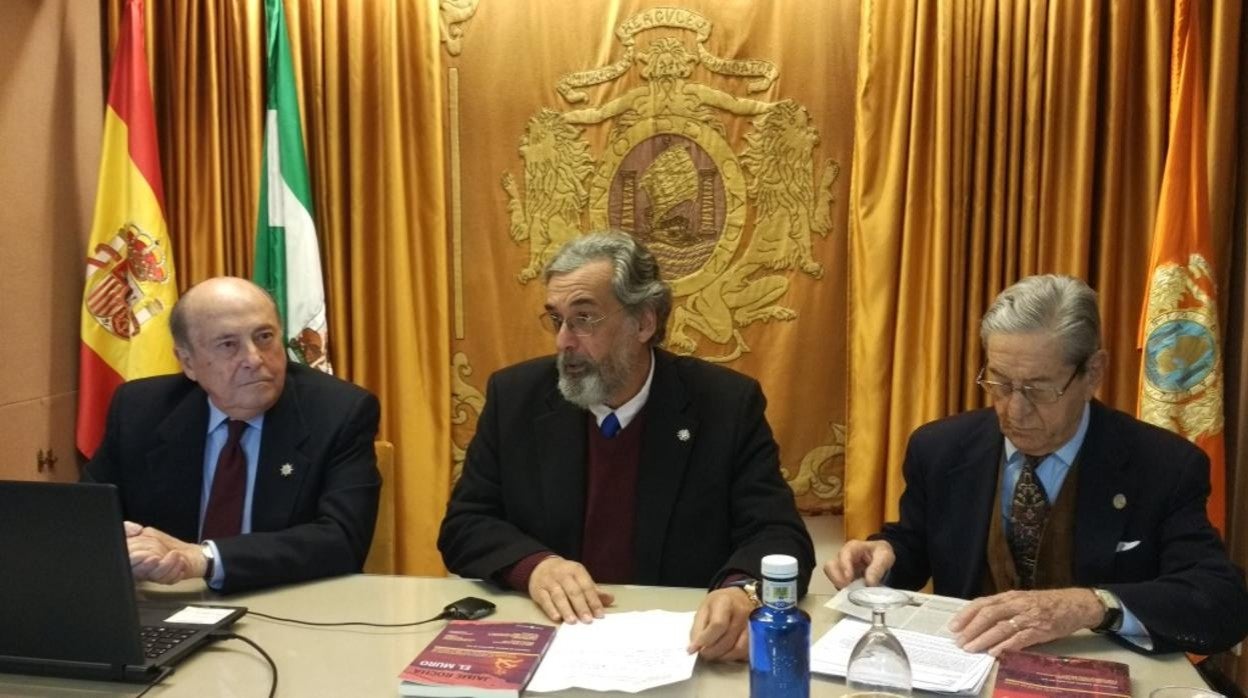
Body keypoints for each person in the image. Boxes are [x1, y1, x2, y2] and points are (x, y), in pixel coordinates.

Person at [438, 231, 814, 662]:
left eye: (584, 318)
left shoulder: (724, 404)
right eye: (557, 319)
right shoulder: (516, 396)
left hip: (681, 648)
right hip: (551, 641)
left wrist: (741, 591)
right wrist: (535, 567)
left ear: (644, 322)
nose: (564, 341)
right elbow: (465, 524)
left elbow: (778, 534)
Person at [825, 275, 1248, 656]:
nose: (1015, 410)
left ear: (1093, 373)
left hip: (1097, 677)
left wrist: (1091, 604)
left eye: (1038, 389)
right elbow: (916, 544)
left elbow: (1220, 601)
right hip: (967, 672)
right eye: (1000, 384)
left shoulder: (1162, 466)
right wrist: (885, 555)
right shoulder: (940, 449)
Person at [84, 277, 381, 594]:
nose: (254, 359)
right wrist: (121, 536)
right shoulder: (140, 410)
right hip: (166, 605)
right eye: (228, 345)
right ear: (188, 362)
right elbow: (87, 515)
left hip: (290, 604)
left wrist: (203, 558)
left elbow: (343, 540)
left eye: (264, 337)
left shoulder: (338, 412)